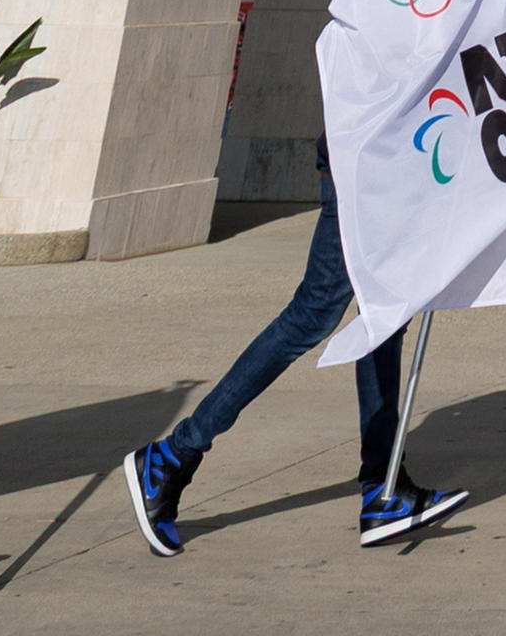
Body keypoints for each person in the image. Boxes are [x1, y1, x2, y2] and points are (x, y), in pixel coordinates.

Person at [125, 167, 471, 555]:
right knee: (314, 312)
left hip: (397, 174)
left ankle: (382, 488)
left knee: (385, 316)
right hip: (362, 170)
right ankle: (173, 454)